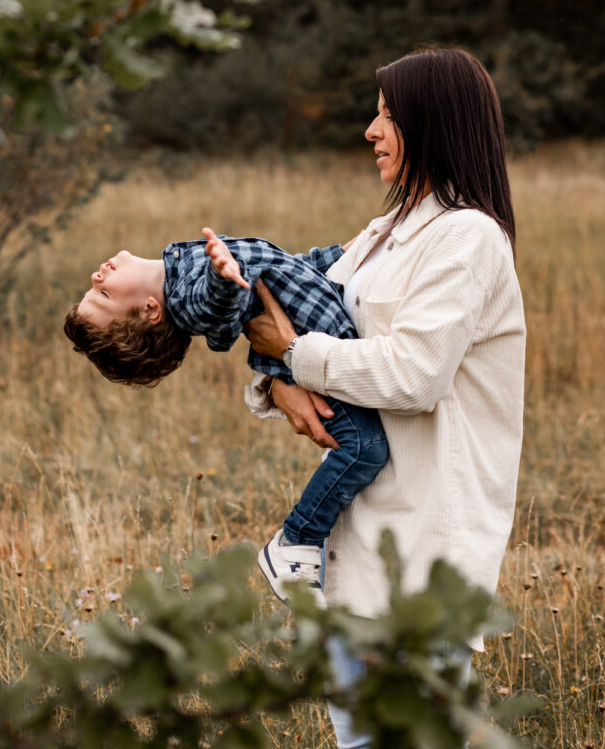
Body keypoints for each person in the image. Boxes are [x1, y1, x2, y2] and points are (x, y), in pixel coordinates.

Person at [243, 47, 526, 748]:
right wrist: (278, 384)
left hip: (420, 556)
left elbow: (413, 374)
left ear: (432, 122)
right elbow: (301, 311)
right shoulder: (383, 234)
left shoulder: (467, 239)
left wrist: (294, 356)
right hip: (353, 549)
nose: (371, 130)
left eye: (388, 115)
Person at [63, 229, 389, 604]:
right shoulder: (189, 297)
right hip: (323, 366)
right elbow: (215, 306)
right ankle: (298, 539)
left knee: (367, 448)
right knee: (366, 448)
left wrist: (341, 253)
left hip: (329, 346)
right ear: (152, 309)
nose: (96, 277)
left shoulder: (181, 264)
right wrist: (222, 275)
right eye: (104, 294)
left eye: (96, 289)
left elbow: (285, 271)